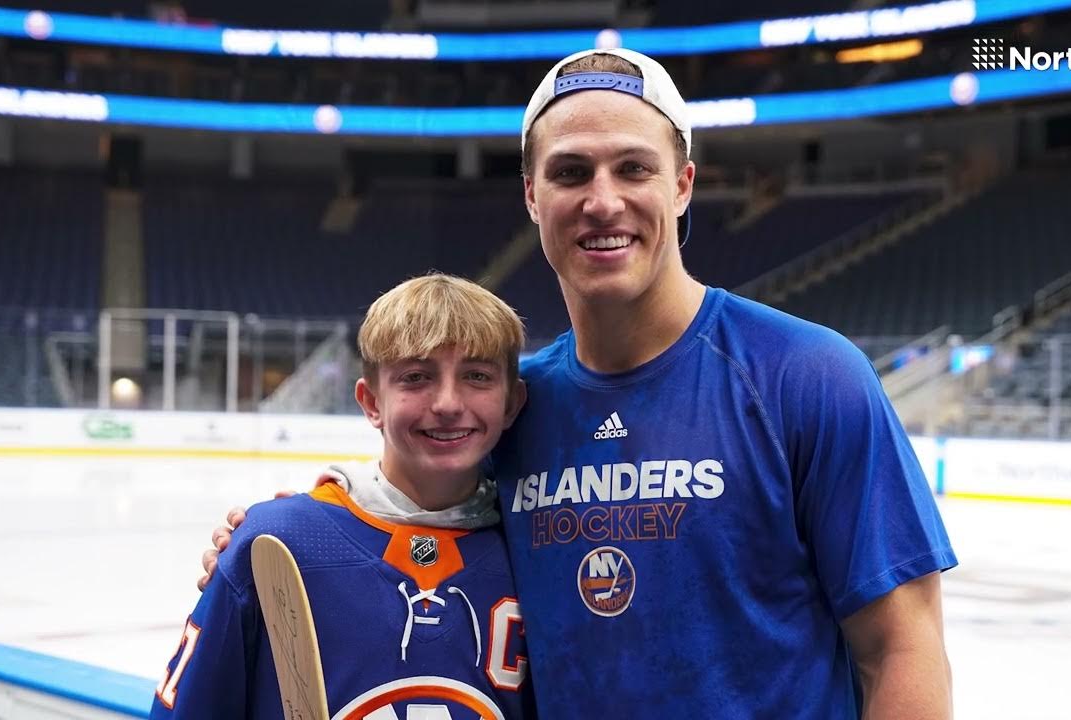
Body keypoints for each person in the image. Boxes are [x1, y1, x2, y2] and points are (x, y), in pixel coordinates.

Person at [205, 48, 956, 719]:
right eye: (571, 172)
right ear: (533, 197)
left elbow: (902, 650)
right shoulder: (514, 409)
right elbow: (404, 512)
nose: (603, 200)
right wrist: (277, 532)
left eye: (634, 167)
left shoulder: (806, 376)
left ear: (684, 186)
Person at [156, 274, 534, 719]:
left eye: (477, 376)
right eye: (416, 377)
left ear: (512, 403)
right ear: (371, 401)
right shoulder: (278, 543)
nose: (448, 403)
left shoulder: (539, 549)